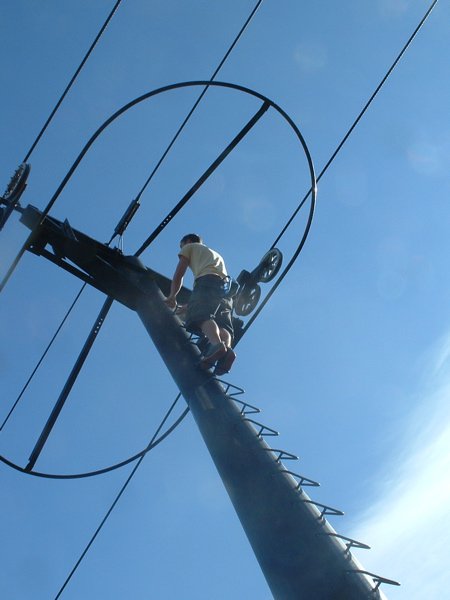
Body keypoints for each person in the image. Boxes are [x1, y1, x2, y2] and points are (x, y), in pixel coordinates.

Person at [164, 233, 236, 375]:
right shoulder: (214, 254)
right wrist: (187, 307)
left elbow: (179, 274)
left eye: (181, 246)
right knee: (222, 324)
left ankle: (217, 346)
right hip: (226, 291)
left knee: (200, 317)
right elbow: (207, 300)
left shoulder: (190, 247)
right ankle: (227, 351)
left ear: (188, 241)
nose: (181, 249)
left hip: (206, 281)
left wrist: (172, 295)